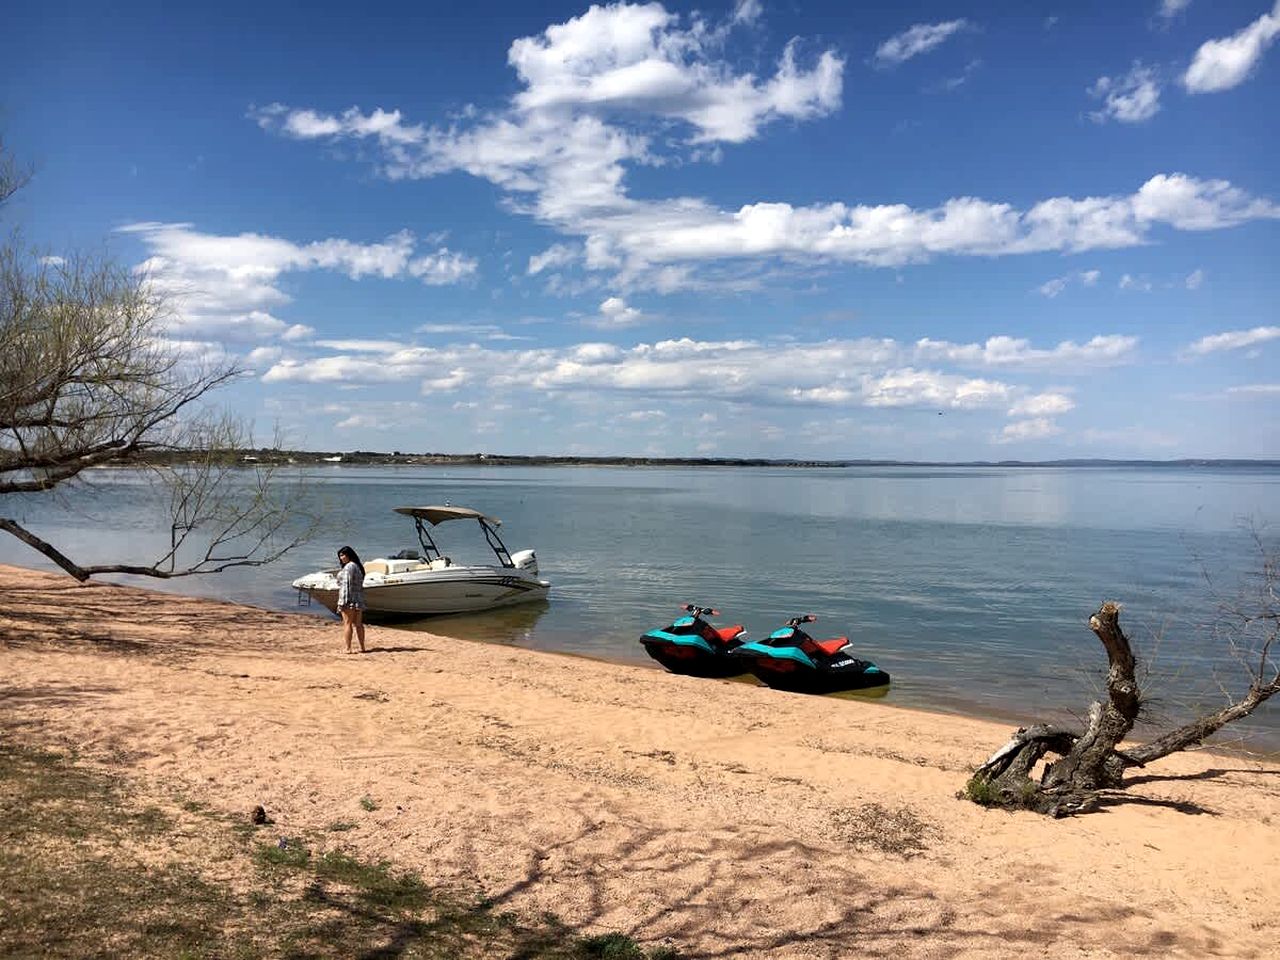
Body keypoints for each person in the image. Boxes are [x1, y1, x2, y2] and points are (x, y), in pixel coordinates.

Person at [336, 545, 367, 653]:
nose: (341, 558)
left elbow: (346, 584)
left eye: (343, 555)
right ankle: (362, 647)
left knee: (347, 623)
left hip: (349, 599)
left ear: (349, 555)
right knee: (359, 624)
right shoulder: (358, 566)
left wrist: (344, 601)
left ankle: (348, 648)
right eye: (340, 556)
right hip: (358, 598)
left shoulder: (349, 567)